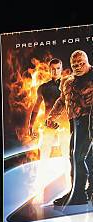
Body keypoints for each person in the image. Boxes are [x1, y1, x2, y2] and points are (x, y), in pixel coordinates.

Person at [46, 50, 93, 206]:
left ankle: (79, 194)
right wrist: (52, 116)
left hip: (89, 119)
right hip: (76, 122)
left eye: (81, 63)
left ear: (87, 62)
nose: (78, 67)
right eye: (75, 65)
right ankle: (82, 192)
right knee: (81, 157)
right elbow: (61, 100)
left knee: (79, 157)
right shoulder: (67, 81)